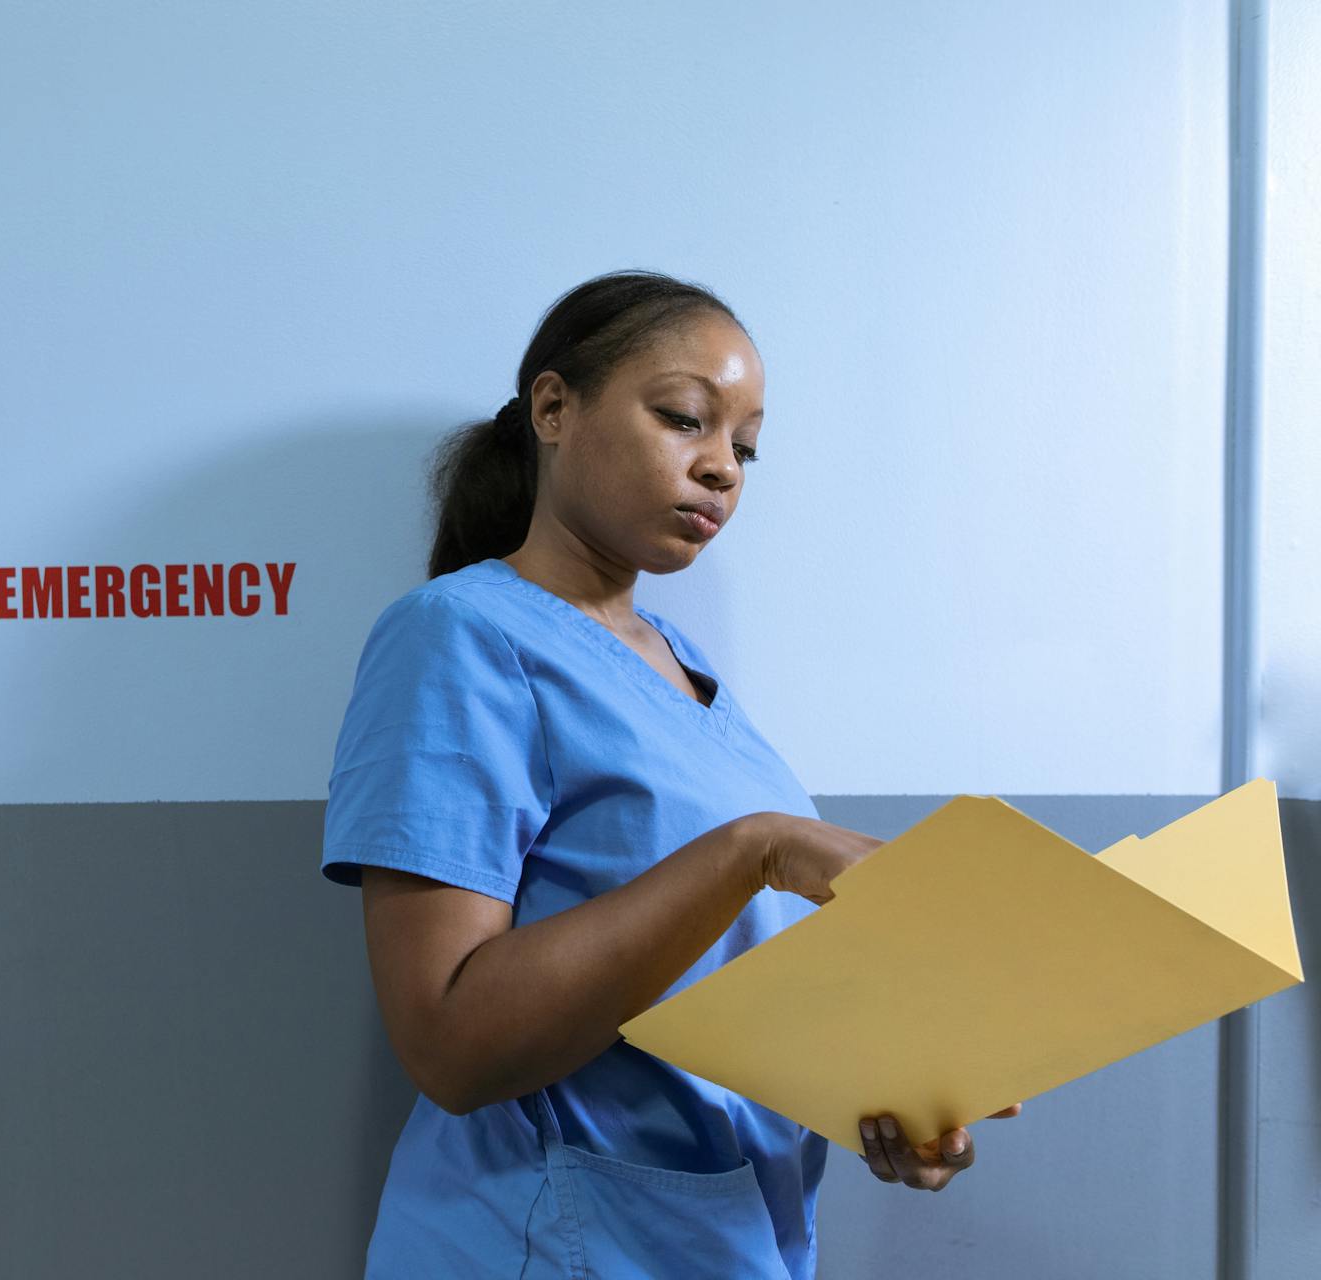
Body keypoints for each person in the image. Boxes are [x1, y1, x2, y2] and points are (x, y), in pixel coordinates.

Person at [320, 269, 1023, 1278]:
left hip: (726, 1237)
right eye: (686, 419)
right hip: (549, 1240)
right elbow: (451, 1040)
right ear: (553, 408)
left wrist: (886, 1083)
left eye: (744, 446)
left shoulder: (692, 677)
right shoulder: (460, 635)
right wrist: (756, 849)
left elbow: (708, 984)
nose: (723, 469)